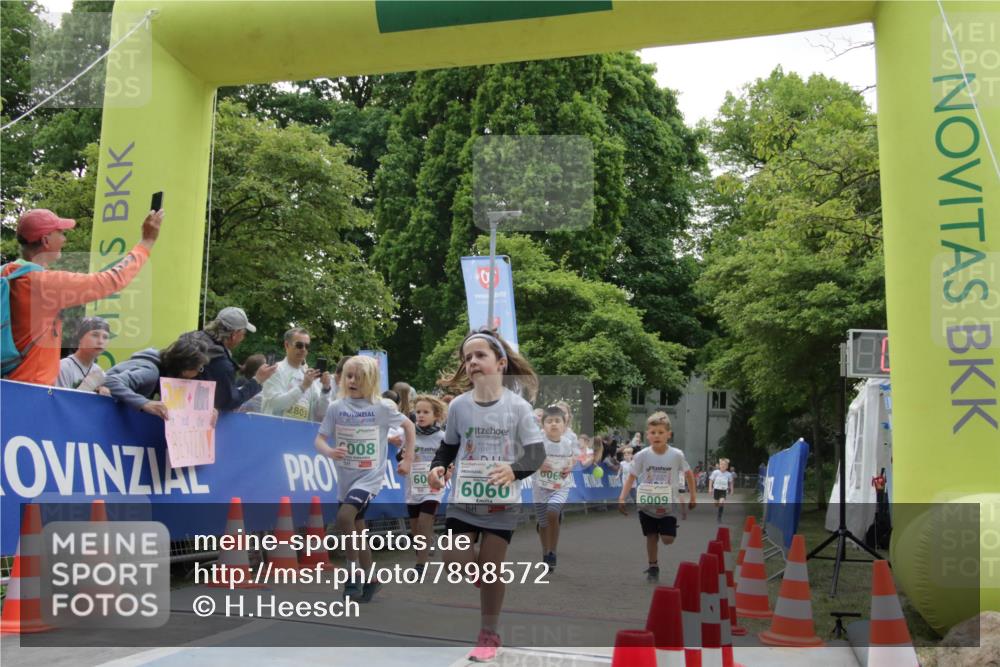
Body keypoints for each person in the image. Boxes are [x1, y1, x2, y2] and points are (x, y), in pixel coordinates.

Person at [427, 328, 545, 663]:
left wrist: (514, 470)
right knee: (453, 559)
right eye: (468, 358)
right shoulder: (460, 406)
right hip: (464, 498)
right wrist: (438, 468)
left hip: (501, 501)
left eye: (481, 355)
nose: (473, 362)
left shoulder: (518, 407)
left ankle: (488, 633)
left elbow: (535, 455)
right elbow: (448, 448)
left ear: (501, 363)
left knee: (491, 568)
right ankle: (487, 580)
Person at [2, 207, 163, 385]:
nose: (64, 239)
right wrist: (146, 243)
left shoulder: (6, 273)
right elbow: (112, 280)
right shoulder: (43, 282)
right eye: (61, 233)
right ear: (46, 240)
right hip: (31, 388)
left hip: (8, 384)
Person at [314, 355, 414, 603]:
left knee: (344, 517)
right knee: (356, 529)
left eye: (359, 377)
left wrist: (408, 458)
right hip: (346, 477)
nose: (352, 381)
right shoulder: (336, 407)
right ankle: (371, 578)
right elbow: (319, 439)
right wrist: (329, 452)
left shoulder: (382, 407)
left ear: (371, 380)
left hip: (370, 477)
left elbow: (409, 428)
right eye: (348, 376)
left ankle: (351, 575)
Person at [618, 411, 696, 583]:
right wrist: (622, 497)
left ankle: (667, 527)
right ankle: (653, 566)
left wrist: (693, 497)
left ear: (669, 434)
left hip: (667, 505)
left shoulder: (676, 455)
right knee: (651, 536)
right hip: (646, 505)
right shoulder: (641, 456)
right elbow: (631, 476)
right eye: (653, 433)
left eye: (661, 432)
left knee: (667, 539)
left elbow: (689, 475)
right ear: (647, 435)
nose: (657, 436)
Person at [186, 307, 276, 412]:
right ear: (234, 335)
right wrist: (257, 380)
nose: (243, 338)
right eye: (243, 334)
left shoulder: (188, 340)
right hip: (196, 421)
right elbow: (229, 401)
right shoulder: (220, 362)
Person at [101, 337, 210, 420]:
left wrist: (204, 410)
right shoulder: (150, 372)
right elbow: (109, 381)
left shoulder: (165, 373)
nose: (198, 372)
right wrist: (144, 403)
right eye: (199, 368)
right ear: (184, 369)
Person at [532, 404, 578, 572]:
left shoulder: (567, 442)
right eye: (549, 421)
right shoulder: (538, 441)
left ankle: (553, 550)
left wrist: (569, 467)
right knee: (543, 523)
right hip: (540, 487)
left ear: (564, 425)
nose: (553, 424)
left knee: (553, 512)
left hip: (561, 486)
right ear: (543, 425)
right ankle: (546, 553)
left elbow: (573, 459)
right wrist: (538, 464)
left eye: (557, 421)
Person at [405, 394, 447, 576]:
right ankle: (426, 543)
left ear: (436, 415)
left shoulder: (442, 437)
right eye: (418, 412)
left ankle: (420, 566)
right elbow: (401, 456)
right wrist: (404, 458)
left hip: (433, 487)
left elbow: (449, 458)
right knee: (415, 528)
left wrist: (445, 468)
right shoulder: (410, 434)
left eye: (425, 412)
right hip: (413, 487)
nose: (420, 415)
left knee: (424, 521)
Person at [261, 327, 331, 420]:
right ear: (287, 345)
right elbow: (275, 404)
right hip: (276, 430)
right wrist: (302, 387)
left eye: (307, 346)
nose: (303, 349)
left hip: (300, 432)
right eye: (299, 345)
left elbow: (321, 413)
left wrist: (326, 389)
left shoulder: (307, 375)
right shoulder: (275, 370)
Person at [56, 316, 112, 395]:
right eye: (95, 335)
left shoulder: (100, 372)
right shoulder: (63, 367)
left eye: (105, 337)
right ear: (80, 338)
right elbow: (61, 403)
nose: (100, 341)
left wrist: (104, 396)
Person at [709, 458, 735, 523]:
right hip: (716, 490)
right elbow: (711, 480)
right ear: (719, 465)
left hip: (723, 490)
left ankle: (719, 517)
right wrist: (710, 488)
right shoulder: (715, 472)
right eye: (721, 464)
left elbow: (731, 482)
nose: (723, 466)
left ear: (727, 466)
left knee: (721, 502)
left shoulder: (729, 474)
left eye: (724, 465)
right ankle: (718, 504)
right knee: (716, 503)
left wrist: (732, 490)